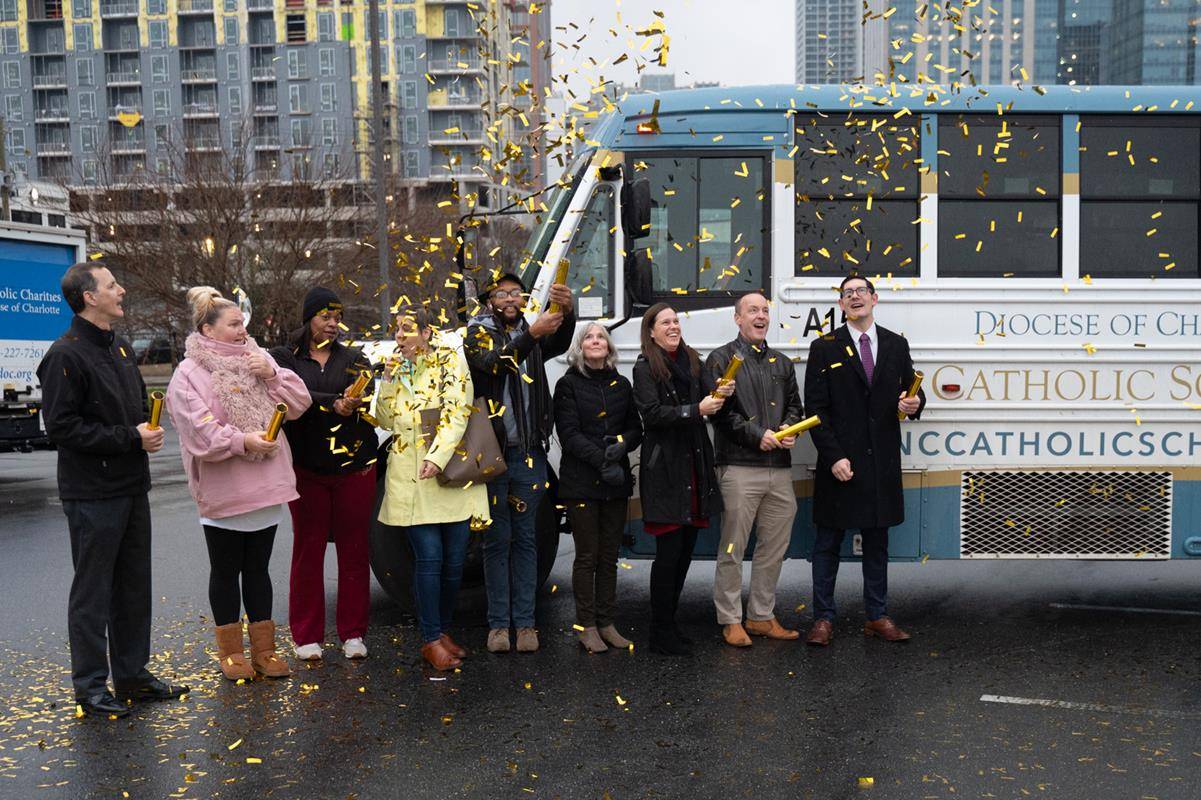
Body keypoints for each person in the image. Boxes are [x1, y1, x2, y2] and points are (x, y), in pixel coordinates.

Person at [36, 261, 189, 718]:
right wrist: (129, 437)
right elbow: (61, 428)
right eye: (112, 286)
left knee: (132, 588)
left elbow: (138, 407)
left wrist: (146, 429)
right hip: (91, 495)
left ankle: (132, 677)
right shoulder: (65, 355)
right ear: (89, 297)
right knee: (93, 594)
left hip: (129, 486)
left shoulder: (119, 348)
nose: (121, 290)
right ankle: (90, 688)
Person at [167, 286, 311, 679]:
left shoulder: (257, 360)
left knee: (260, 570)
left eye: (242, 323)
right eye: (233, 324)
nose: (241, 330)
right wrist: (242, 441)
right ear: (208, 330)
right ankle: (231, 653)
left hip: (266, 485)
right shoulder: (188, 374)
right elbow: (199, 432)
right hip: (224, 489)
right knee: (227, 571)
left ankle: (264, 650)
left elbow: (299, 404)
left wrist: (275, 373)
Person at [803, 275, 925, 647]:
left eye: (861, 292)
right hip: (839, 464)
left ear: (874, 299)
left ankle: (877, 615)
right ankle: (823, 619)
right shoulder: (823, 347)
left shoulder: (895, 344)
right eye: (847, 294)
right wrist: (834, 456)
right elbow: (816, 409)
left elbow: (912, 395)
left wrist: (914, 405)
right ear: (841, 305)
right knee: (827, 544)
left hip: (881, 464)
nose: (855, 297)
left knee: (877, 544)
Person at [465, 272, 574, 654]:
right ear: (489, 299)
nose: (511, 299)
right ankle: (498, 626)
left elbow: (559, 339)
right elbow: (494, 364)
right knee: (496, 541)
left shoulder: (534, 329)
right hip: (493, 451)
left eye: (516, 292)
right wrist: (534, 333)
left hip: (530, 451)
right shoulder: (476, 333)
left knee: (526, 538)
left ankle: (526, 625)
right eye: (502, 293)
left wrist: (567, 309)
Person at [375, 307, 490, 671]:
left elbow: (460, 412)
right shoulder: (398, 367)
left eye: (407, 329)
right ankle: (429, 639)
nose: (400, 336)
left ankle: (441, 632)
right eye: (396, 330)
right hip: (412, 477)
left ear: (427, 332)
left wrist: (438, 457)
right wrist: (390, 380)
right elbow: (384, 418)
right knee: (428, 559)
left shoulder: (451, 360)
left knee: (455, 562)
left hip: (450, 472)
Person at [269, 287, 377, 662]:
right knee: (308, 549)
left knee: (354, 549)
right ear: (309, 317)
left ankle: (353, 633)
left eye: (337, 317)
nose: (332, 324)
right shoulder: (284, 357)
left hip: (354, 467)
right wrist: (333, 403)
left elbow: (368, 392)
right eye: (325, 317)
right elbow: (290, 395)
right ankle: (306, 635)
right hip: (305, 467)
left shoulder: (354, 358)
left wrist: (354, 400)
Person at [706, 292, 805, 648]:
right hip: (739, 467)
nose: (760, 316)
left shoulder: (781, 362)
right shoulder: (720, 360)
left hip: (778, 468)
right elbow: (719, 414)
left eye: (765, 310)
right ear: (738, 319)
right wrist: (756, 435)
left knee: (773, 548)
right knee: (732, 547)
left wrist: (788, 431)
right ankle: (730, 619)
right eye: (753, 311)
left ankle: (761, 616)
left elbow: (795, 405)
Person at [632, 303, 732, 656]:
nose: (673, 326)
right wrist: (696, 410)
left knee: (686, 552)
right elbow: (652, 414)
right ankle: (659, 631)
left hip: (694, 465)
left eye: (676, 321)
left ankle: (670, 624)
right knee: (668, 555)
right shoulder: (644, 367)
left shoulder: (692, 359)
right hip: (666, 472)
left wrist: (723, 391)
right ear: (652, 331)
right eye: (665, 322)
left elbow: (713, 395)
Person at [553, 323, 642, 653]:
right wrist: (602, 461)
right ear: (580, 347)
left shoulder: (622, 384)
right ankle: (586, 625)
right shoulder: (568, 385)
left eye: (600, 337)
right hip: (581, 484)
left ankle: (607, 623)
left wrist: (621, 446)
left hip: (615, 486)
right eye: (588, 337)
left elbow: (635, 428)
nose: (595, 341)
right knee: (586, 557)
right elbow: (569, 433)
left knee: (608, 558)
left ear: (608, 346)